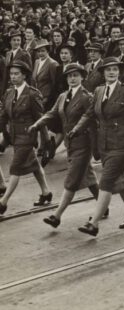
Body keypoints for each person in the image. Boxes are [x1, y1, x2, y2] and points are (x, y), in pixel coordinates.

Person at [69, 57, 124, 236]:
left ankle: (94, 223)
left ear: (119, 72)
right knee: (120, 179)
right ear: (103, 73)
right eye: (108, 70)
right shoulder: (98, 91)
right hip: (103, 143)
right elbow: (89, 114)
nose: (111, 72)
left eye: (114, 69)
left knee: (106, 181)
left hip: (121, 144)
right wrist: (76, 129)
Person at [28, 64, 102, 228]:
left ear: (82, 77)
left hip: (83, 143)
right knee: (88, 176)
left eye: (76, 75)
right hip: (70, 143)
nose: (72, 78)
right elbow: (52, 113)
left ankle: (57, 215)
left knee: (71, 180)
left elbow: (93, 120)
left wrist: (96, 146)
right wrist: (37, 124)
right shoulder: (62, 96)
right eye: (69, 76)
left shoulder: (86, 97)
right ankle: (103, 206)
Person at [0, 61, 53, 215]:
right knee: (35, 165)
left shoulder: (32, 94)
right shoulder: (9, 93)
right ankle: (46, 192)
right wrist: (3, 133)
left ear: (24, 75)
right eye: (11, 74)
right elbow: (3, 116)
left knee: (15, 169)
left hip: (28, 136)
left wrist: (46, 142)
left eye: (17, 74)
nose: (13, 77)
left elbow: (40, 119)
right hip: (14, 136)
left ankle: (3, 202)